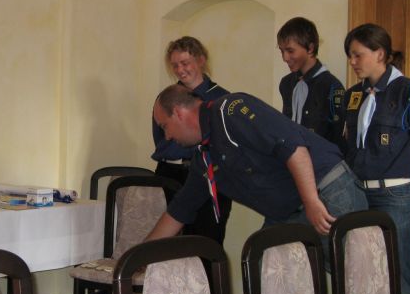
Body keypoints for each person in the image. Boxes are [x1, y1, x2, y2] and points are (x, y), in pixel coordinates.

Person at [146, 84, 367, 242]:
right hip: (288, 212)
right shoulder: (203, 157)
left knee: (352, 276)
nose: (167, 137)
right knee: (264, 263)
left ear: (179, 113)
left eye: (164, 126)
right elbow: (180, 210)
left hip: (326, 191)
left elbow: (293, 147)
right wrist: (140, 257)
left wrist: (311, 201)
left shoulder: (231, 110)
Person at [341, 23, 410, 294]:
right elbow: (346, 145)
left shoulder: (408, 90)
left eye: (358, 55)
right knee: (362, 273)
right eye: (350, 55)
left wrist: (400, 174)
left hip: (393, 197)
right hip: (358, 195)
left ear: (380, 53)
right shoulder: (353, 95)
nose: (352, 62)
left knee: (397, 277)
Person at [151, 37, 232, 244]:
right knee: (168, 242)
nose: (180, 70)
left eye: (185, 63)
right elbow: (162, 139)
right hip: (170, 174)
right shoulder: (165, 98)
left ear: (201, 60)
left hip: (208, 174)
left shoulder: (221, 98)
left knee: (205, 239)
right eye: (175, 65)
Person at [277, 17, 345, 147]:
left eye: (290, 51)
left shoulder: (332, 87)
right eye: (281, 51)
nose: (285, 58)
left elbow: (338, 139)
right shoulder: (286, 83)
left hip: (320, 158)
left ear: (310, 48)